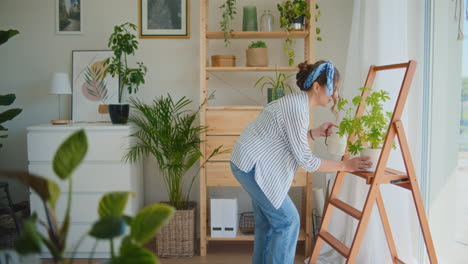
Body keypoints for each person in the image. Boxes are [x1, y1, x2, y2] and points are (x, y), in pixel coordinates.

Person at [230, 60, 372, 264]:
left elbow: (284, 139)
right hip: (251, 165)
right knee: (288, 221)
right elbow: (307, 162)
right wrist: (345, 166)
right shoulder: (298, 108)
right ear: (317, 87)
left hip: (248, 160)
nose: (335, 95)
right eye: (333, 88)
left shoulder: (297, 103)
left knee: (267, 224)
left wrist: (313, 134)